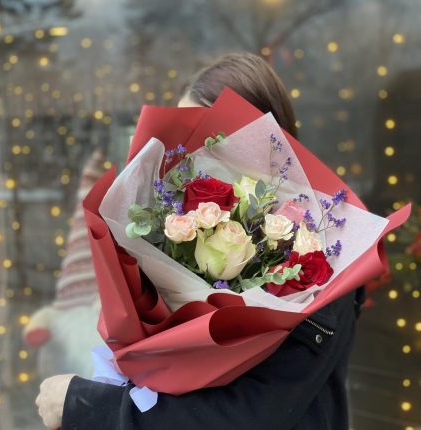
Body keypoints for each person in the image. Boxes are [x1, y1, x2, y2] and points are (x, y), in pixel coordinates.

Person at [36, 52, 365, 430]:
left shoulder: (319, 255)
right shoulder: (180, 231)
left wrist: (88, 406)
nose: (191, 150)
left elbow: (251, 413)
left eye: (208, 133)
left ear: (266, 138)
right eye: (182, 131)